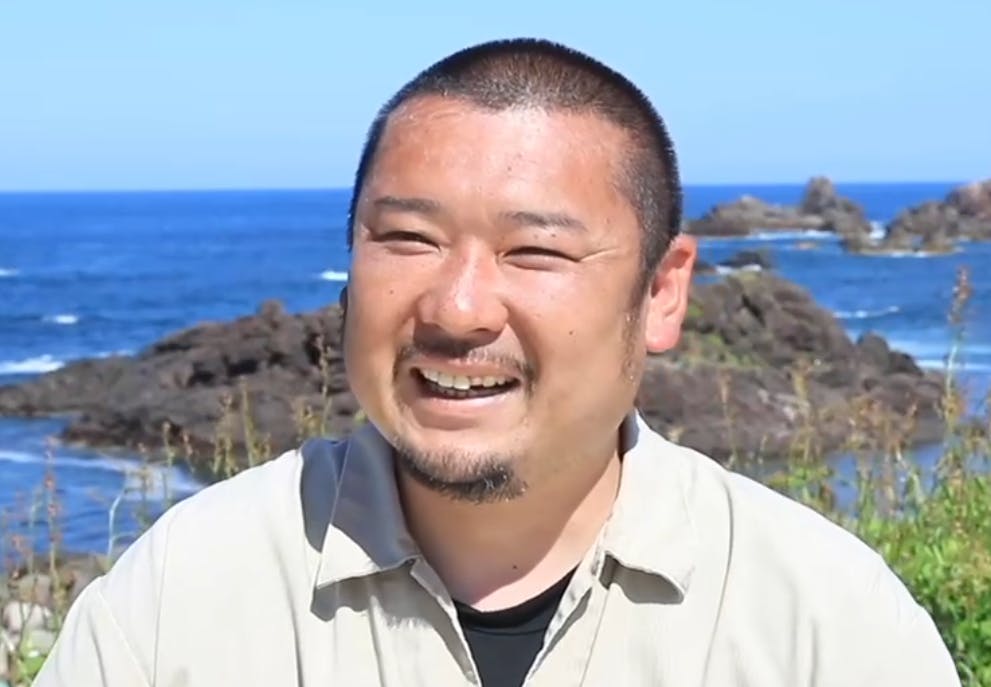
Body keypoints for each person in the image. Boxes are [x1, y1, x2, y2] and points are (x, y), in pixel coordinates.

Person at [36, 38, 959, 687]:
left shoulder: (821, 622)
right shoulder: (181, 598)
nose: (457, 308)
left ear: (661, 292)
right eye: (408, 238)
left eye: (535, 251)